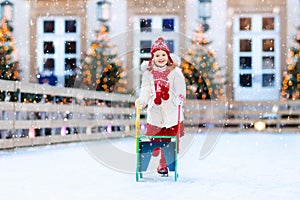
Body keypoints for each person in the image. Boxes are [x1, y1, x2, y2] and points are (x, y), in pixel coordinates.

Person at [136, 37, 186, 175]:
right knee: (156, 136)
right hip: (156, 111)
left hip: (171, 110)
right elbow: (145, 90)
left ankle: (163, 165)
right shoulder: (148, 74)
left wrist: (180, 97)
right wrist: (142, 101)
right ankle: (155, 146)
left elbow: (180, 87)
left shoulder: (175, 73)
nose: (160, 57)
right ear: (153, 58)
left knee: (169, 141)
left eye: (163, 54)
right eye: (157, 55)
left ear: (168, 56)